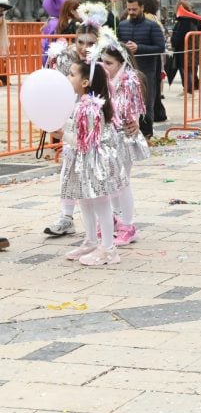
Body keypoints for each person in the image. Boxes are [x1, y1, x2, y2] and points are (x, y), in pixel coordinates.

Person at [43, 4, 106, 238]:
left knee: (99, 171)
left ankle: (111, 218)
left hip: (97, 121)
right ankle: (66, 217)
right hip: (71, 119)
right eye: (80, 41)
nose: (84, 47)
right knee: (69, 167)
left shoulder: (103, 59)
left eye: (90, 43)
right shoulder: (63, 57)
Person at [59, 59, 129, 266]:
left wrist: (62, 134)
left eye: (72, 74)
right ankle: (91, 240)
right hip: (85, 159)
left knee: (100, 202)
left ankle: (108, 248)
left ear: (85, 82)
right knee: (84, 200)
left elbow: (86, 141)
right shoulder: (82, 103)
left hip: (95, 161)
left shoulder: (90, 106)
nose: (68, 77)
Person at [95, 27, 149, 246]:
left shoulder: (129, 81)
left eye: (109, 63)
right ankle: (113, 219)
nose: (104, 66)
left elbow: (129, 110)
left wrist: (134, 120)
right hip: (108, 140)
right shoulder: (102, 81)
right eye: (102, 62)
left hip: (123, 138)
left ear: (121, 64)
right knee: (110, 182)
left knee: (122, 182)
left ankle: (128, 224)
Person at [118, 0, 166, 139]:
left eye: (134, 9)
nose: (131, 12)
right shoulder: (122, 25)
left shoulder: (152, 26)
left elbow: (160, 47)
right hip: (127, 70)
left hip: (147, 71)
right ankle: (128, 132)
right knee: (126, 101)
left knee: (146, 102)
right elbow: (118, 44)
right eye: (129, 9)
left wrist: (139, 48)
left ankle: (146, 133)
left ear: (142, 8)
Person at [170, 0, 201, 94]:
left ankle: (189, 89)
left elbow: (179, 37)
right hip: (193, 50)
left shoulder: (184, 21)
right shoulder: (193, 20)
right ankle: (192, 87)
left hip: (185, 51)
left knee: (186, 70)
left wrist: (173, 41)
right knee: (191, 70)